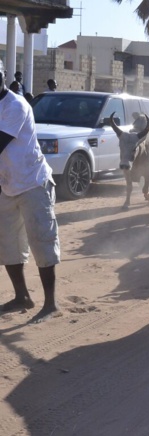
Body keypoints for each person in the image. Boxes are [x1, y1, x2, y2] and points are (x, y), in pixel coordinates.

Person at [0, 68, 61, 322]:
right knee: (8, 246)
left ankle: (50, 304)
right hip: (7, 185)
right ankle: (22, 296)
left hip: (33, 183)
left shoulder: (15, 105)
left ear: (1, 77)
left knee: (41, 242)